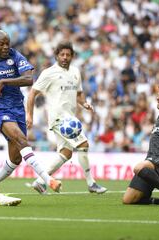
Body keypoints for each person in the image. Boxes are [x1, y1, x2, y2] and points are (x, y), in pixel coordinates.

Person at [0, 30, 61, 203]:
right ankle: (48, 180)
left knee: (15, 158)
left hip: (17, 108)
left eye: (7, 43)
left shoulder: (16, 56)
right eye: (1, 44)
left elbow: (29, 79)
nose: (5, 47)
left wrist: (4, 81)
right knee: (22, 140)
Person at [26, 41, 107, 194]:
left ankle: (40, 181)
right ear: (56, 56)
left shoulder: (75, 72)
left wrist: (84, 104)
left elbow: (79, 94)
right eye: (62, 54)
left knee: (66, 153)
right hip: (58, 118)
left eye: (68, 55)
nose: (64, 57)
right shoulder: (49, 73)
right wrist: (29, 114)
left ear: (72, 57)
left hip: (70, 118)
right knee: (83, 144)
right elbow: (32, 94)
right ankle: (91, 183)